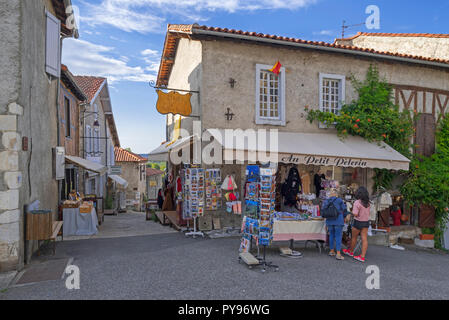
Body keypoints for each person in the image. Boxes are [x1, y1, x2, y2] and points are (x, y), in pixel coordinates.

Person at [343, 186, 371, 262]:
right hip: (366, 222)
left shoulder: (357, 202)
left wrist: (350, 212)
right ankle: (362, 257)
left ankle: (351, 252)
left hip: (358, 222)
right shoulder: (368, 203)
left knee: (354, 238)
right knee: (364, 239)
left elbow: (355, 214)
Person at [322, 189, 347, 260]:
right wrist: (345, 217)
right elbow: (344, 210)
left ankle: (332, 251)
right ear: (336, 194)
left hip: (329, 220)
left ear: (330, 194)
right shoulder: (339, 200)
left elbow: (323, 210)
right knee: (338, 236)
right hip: (338, 220)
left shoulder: (326, 201)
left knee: (331, 235)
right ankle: (338, 254)